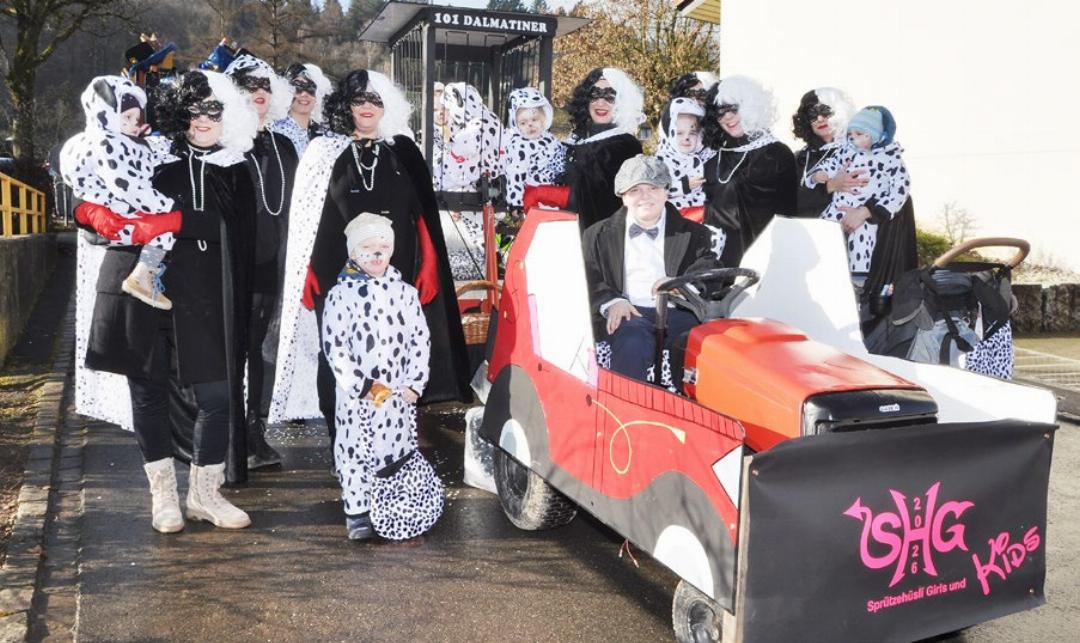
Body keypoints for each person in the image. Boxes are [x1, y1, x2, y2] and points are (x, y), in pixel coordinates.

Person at [74, 69, 258, 531]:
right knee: (148, 391)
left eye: (213, 110)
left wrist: (177, 221)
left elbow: (237, 229)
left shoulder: (236, 167)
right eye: (193, 111)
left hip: (205, 295)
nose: (202, 119)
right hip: (139, 288)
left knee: (217, 395)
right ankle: (163, 496)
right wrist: (88, 214)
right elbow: (94, 185)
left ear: (228, 116)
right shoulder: (153, 152)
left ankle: (204, 494)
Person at [271, 69, 470, 448]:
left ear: (387, 104)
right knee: (341, 360)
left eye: (375, 99)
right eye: (359, 99)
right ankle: (345, 443)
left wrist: (429, 264)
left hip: (394, 275)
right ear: (346, 105)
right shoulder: (323, 152)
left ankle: (385, 438)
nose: (367, 106)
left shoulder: (403, 150)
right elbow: (307, 220)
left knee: (390, 355)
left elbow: (421, 216)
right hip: (336, 277)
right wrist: (306, 270)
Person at [322, 212, 444, 541]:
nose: (376, 254)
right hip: (358, 400)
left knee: (396, 453)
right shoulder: (340, 296)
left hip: (397, 395)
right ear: (353, 253)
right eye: (367, 248)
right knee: (355, 453)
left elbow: (420, 340)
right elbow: (335, 347)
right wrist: (360, 386)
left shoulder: (405, 294)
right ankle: (358, 513)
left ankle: (395, 508)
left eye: (383, 247)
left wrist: (415, 382)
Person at [224, 53, 300, 470]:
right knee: (232, 350)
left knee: (257, 350)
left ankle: (255, 431)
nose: (259, 92)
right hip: (231, 264)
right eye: (249, 85)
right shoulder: (224, 141)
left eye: (265, 86)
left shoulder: (282, 145)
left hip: (273, 264)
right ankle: (231, 436)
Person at [583, 155, 719, 382]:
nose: (645, 196)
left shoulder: (695, 233)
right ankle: (626, 402)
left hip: (677, 312)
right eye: (635, 190)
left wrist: (682, 285)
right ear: (623, 197)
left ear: (666, 191)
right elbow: (588, 277)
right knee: (632, 341)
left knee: (703, 344)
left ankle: (689, 402)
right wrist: (612, 302)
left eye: (653, 188)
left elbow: (708, 267)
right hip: (628, 311)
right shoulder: (596, 235)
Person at [60, 76, 181, 311]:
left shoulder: (127, 142)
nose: (134, 123)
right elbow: (129, 187)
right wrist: (168, 206)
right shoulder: (111, 144)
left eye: (136, 118)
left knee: (165, 228)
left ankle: (144, 274)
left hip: (127, 234)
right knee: (166, 228)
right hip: (122, 239)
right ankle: (143, 275)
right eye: (127, 117)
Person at [807, 105, 912, 320]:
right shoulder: (845, 150)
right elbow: (830, 164)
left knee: (863, 242)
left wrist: (878, 210)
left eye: (859, 134)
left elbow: (900, 189)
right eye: (851, 133)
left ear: (875, 136)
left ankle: (859, 280)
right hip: (836, 209)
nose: (853, 138)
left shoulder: (890, 158)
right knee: (823, 239)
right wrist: (819, 174)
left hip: (865, 216)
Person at [701, 75, 796, 265]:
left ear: (750, 106)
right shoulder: (713, 155)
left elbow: (789, 213)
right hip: (716, 257)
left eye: (733, 108)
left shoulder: (776, 153)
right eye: (720, 112)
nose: (727, 117)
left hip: (760, 256)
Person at [560, 68, 645, 231]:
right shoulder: (577, 138)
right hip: (566, 229)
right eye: (595, 94)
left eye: (610, 97)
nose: (600, 103)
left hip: (602, 234)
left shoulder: (625, 145)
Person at [435, 82, 503, 280]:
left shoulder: (472, 129)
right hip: (480, 194)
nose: (445, 114)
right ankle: (489, 264)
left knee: (477, 238)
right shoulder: (488, 121)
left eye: (447, 108)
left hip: (474, 197)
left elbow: (456, 168)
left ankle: (487, 267)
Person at [790, 87, 864, 218]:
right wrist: (830, 186)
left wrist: (866, 213)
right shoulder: (800, 159)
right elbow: (785, 203)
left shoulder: (858, 150)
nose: (819, 118)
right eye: (812, 114)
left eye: (825, 111)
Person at [500, 87, 565, 213]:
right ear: (516, 125)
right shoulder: (519, 145)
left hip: (553, 191)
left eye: (534, 120)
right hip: (533, 193)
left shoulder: (550, 138)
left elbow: (560, 158)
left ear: (544, 119)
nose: (530, 125)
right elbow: (515, 174)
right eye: (523, 123)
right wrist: (516, 203)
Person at [655, 97, 715, 212]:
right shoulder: (660, 161)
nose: (686, 138)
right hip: (674, 214)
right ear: (668, 133)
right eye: (679, 133)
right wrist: (684, 185)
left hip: (701, 211)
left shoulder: (699, 157)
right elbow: (656, 189)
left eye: (692, 133)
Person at [271, 63, 332, 157]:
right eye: (298, 87)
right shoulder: (274, 131)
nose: (304, 94)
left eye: (311, 88)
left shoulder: (325, 133)